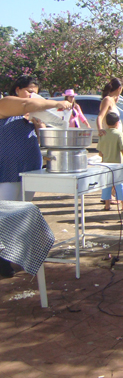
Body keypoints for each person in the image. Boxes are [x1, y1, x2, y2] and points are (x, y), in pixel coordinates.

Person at [0, 76, 73, 277]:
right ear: (17, 90)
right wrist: (59, 102)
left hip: (29, 169)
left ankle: (13, 258)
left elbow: (42, 134)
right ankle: (2, 262)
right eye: (29, 91)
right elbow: (27, 103)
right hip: (8, 171)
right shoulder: (5, 103)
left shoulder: (30, 112)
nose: (34, 96)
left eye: (36, 92)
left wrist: (38, 121)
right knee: (5, 216)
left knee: (21, 215)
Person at [96, 112, 123, 211]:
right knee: (120, 184)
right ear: (117, 123)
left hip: (106, 164)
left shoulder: (103, 134)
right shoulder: (119, 134)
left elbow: (100, 152)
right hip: (118, 164)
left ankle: (107, 205)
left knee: (106, 185)